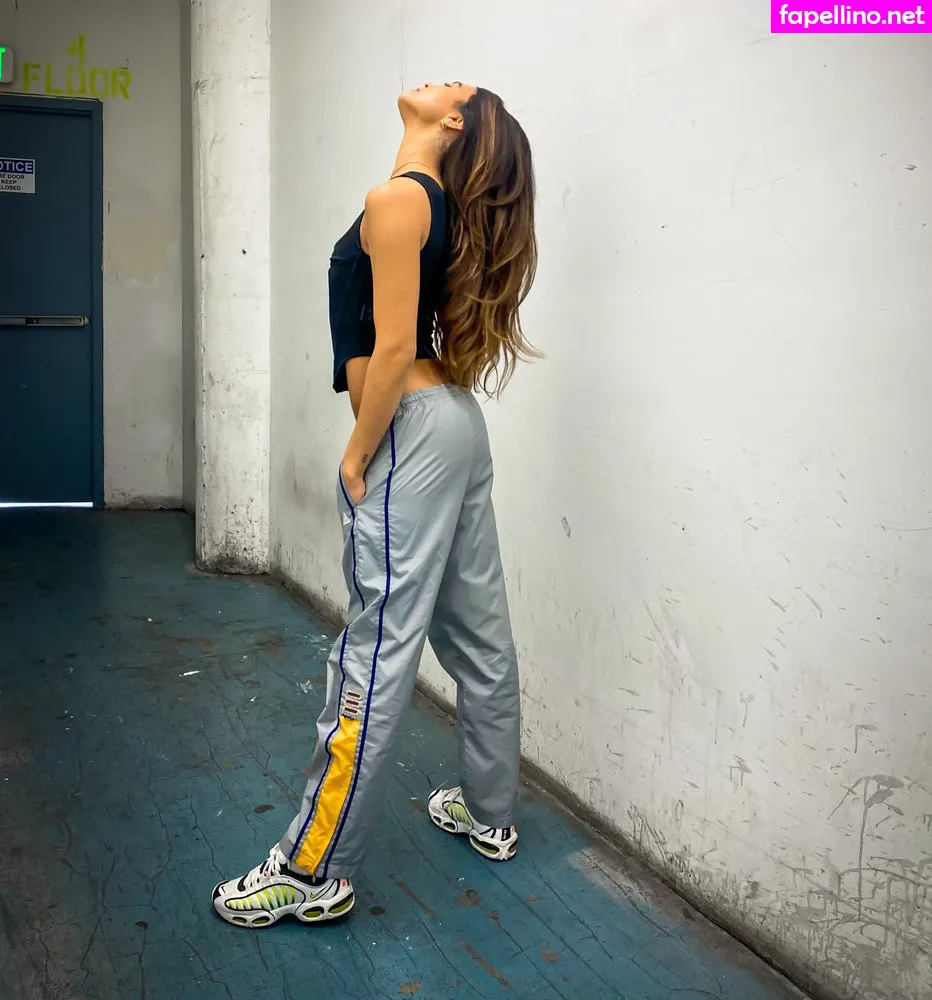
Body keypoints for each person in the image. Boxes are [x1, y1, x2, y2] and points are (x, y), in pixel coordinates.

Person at [212, 82, 538, 928]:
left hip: (412, 431)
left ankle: (314, 870)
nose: (434, 82)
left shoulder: (398, 199)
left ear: (452, 121)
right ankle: (490, 813)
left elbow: (391, 348)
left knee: (374, 654)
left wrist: (358, 451)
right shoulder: (438, 207)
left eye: (452, 86)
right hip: (455, 423)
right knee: (480, 637)